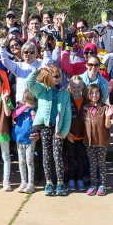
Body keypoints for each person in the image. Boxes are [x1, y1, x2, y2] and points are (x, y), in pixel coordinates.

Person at [26, 66, 70, 196]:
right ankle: (49, 182)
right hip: (45, 126)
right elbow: (29, 82)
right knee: (46, 154)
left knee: (57, 156)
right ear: (48, 77)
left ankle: (60, 183)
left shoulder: (64, 92)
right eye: (55, 76)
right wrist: (38, 70)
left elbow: (67, 115)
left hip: (58, 128)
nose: (58, 78)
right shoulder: (41, 89)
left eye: (59, 76)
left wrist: (63, 132)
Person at [82, 83, 113, 196]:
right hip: (89, 141)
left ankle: (103, 185)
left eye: (97, 92)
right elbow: (83, 124)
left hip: (101, 141)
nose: (94, 95)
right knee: (92, 163)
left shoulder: (104, 108)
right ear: (88, 94)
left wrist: (108, 116)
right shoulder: (85, 107)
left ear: (100, 94)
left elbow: (108, 126)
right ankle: (93, 184)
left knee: (101, 163)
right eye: (92, 93)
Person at [12, 90, 38, 193]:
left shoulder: (36, 108)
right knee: (21, 161)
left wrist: (33, 115)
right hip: (20, 137)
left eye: (32, 103)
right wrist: (24, 107)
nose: (31, 105)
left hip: (30, 138)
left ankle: (31, 183)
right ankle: (23, 182)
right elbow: (14, 115)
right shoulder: (20, 105)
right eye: (28, 102)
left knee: (29, 161)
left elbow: (37, 123)